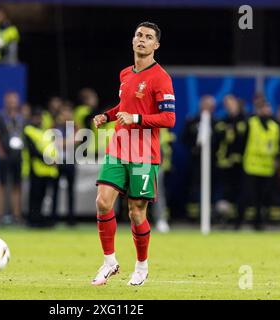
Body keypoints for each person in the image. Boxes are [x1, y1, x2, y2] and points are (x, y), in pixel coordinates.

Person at [91, 22, 176, 286]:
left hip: (143, 154)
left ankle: (141, 266)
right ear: (132, 40)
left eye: (148, 37)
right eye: (139, 35)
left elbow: (169, 118)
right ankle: (109, 262)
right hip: (119, 147)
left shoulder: (161, 77)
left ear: (156, 45)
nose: (142, 40)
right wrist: (108, 115)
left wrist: (136, 118)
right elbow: (125, 106)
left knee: (136, 212)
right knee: (103, 202)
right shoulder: (125, 73)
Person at [237, 99, 280, 230]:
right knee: (247, 196)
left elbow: (277, 145)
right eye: (263, 108)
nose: (266, 110)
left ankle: (259, 224)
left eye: (268, 108)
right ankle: (237, 223)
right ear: (257, 110)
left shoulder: (275, 126)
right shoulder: (251, 123)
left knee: (262, 199)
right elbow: (242, 142)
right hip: (252, 166)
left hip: (267, 168)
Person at [0, 91, 25, 225]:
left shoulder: (21, 117)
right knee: (1, 185)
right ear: (5, 102)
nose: (12, 103)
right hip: (4, 156)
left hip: (18, 156)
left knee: (17, 185)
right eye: (10, 100)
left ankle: (16, 215)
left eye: (14, 100)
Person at [213, 95, 247, 223]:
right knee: (225, 193)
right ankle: (224, 219)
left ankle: (238, 220)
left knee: (240, 193)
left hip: (241, 164)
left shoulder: (245, 120)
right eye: (227, 104)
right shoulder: (223, 121)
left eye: (231, 104)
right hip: (224, 164)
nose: (229, 107)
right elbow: (217, 139)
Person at [182, 95, 216, 220]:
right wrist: (193, 149)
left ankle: (209, 216)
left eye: (211, 106)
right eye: (207, 105)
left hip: (212, 163)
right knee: (194, 189)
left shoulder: (216, 122)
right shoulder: (192, 121)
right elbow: (184, 139)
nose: (209, 108)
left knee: (211, 189)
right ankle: (194, 216)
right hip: (195, 163)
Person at [24, 107, 59, 228]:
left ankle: (41, 219)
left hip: (48, 171)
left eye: (40, 117)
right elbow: (33, 151)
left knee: (44, 196)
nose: (39, 119)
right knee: (35, 196)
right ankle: (33, 220)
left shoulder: (45, 132)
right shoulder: (29, 130)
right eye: (36, 117)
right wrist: (48, 161)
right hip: (36, 168)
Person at [51, 102, 78, 225]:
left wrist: (63, 142)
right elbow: (53, 142)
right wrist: (68, 141)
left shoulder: (75, 126)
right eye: (64, 112)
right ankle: (53, 217)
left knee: (71, 191)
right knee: (54, 190)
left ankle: (71, 218)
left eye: (68, 112)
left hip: (70, 161)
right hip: (58, 161)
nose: (66, 114)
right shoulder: (55, 126)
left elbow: (77, 140)